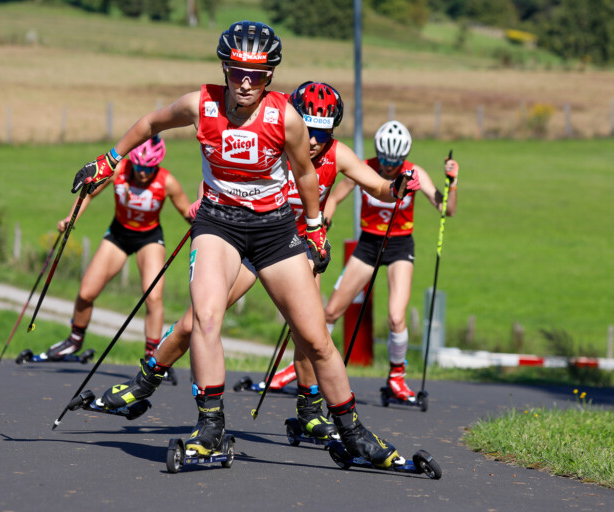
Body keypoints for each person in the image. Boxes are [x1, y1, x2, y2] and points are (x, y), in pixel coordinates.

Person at [71, 20, 411, 469]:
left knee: (316, 337)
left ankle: (351, 431)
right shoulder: (201, 104)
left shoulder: (285, 119)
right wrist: (109, 160)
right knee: (204, 318)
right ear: (225, 68)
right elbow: (151, 122)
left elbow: (308, 174)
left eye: (257, 73)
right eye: (237, 72)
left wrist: (314, 225)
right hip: (220, 225)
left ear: (270, 76)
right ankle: (208, 425)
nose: (246, 82)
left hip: (274, 232)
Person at [318, 120, 459, 403]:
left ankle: (397, 377)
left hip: (399, 246)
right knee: (330, 312)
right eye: (383, 159)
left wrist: (452, 184)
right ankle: (308, 367)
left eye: (394, 161)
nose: (388, 166)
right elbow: (334, 198)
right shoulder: (364, 167)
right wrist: (324, 222)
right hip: (369, 245)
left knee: (396, 316)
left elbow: (446, 209)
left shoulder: (413, 172)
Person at [46, 136, 192, 361]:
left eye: (149, 167)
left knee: (153, 297)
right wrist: (70, 219)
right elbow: (89, 194)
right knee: (86, 292)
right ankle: (74, 341)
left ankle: (154, 357)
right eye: (139, 166)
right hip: (118, 234)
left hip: (149, 238)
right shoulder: (119, 171)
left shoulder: (166, 182)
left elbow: (186, 213)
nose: (143, 173)